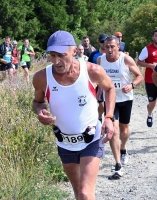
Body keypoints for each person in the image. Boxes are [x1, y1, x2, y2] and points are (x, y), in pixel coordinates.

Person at [32, 30, 116, 200]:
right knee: (78, 193)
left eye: (62, 55)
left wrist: (108, 117)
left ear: (74, 51)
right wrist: (40, 112)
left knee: (85, 193)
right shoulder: (42, 77)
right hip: (65, 142)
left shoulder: (92, 71)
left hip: (91, 138)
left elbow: (110, 88)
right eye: (52, 55)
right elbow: (37, 102)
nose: (57, 61)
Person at [97, 35, 143, 179]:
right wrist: (98, 94)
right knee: (113, 130)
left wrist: (132, 85)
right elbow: (98, 79)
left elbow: (139, 76)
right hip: (110, 101)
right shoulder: (100, 60)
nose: (109, 50)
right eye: (107, 47)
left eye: (112, 47)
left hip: (125, 99)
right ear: (103, 47)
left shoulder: (126, 59)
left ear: (118, 47)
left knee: (124, 130)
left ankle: (123, 148)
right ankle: (117, 164)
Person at [137, 29, 157, 132]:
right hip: (151, 80)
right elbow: (139, 62)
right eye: (156, 35)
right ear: (153, 37)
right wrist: (150, 65)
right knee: (152, 103)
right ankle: (150, 114)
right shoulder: (147, 49)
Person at [88, 33, 108, 123]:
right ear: (99, 42)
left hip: (109, 81)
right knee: (101, 103)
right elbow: (88, 67)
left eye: (105, 41)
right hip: (97, 82)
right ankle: (99, 117)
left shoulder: (111, 53)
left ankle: (107, 120)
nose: (104, 43)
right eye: (102, 41)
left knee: (108, 103)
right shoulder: (94, 54)